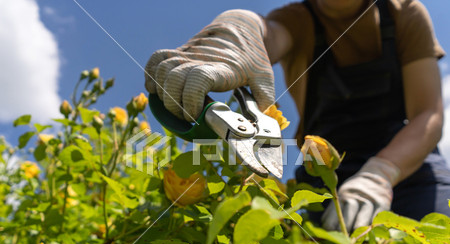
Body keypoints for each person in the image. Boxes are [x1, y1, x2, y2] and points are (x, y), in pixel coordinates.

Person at [145, 0, 450, 231]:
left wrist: (380, 174)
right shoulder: (298, 20)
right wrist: (238, 31)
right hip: (320, 174)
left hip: (410, 165)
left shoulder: (404, 13)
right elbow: (269, 33)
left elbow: (428, 114)